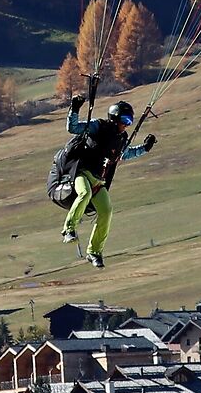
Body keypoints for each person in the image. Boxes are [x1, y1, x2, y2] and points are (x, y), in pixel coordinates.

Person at [59, 95, 155, 268]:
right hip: (82, 173)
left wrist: (144, 149)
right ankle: (69, 229)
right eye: (125, 119)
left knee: (107, 211)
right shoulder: (99, 126)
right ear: (115, 117)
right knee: (84, 193)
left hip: (98, 181)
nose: (127, 124)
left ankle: (94, 251)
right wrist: (74, 109)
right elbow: (73, 128)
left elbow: (124, 155)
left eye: (130, 121)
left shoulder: (122, 138)